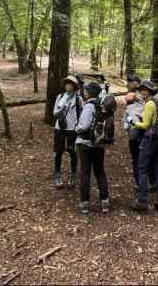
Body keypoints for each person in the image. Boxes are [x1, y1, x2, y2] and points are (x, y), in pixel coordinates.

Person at [130, 80, 158, 213]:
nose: (143, 91)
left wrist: (134, 122)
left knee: (142, 168)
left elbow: (145, 125)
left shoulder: (150, 104)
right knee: (157, 168)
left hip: (149, 139)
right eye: (142, 89)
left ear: (150, 91)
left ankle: (142, 200)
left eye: (145, 89)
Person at [76, 82, 110, 215]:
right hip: (99, 143)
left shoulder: (89, 106)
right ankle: (105, 201)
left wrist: (76, 128)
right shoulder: (102, 106)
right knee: (100, 171)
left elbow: (83, 126)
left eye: (86, 90)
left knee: (85, 172)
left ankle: (85, 203)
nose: (84, 92)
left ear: (90, 92)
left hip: (85, 143)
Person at [53, 75, 83, 189]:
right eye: (66, 83)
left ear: (74, 86)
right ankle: (57, 175)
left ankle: (73, 175)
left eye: (70, 83)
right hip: (59, 128)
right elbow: (54, 113)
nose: (68, 85)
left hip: (72, 129)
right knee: (58, 152)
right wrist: (62, 108)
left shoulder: (78, 98)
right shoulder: (60, 96)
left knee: (72, 152)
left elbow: (82, 112)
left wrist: (79, 126)